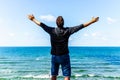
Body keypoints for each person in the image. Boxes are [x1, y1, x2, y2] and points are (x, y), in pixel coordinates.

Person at [28, 14, 99, 80]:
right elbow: (81, 26)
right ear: (63, 23)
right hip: (64, 56)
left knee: (53, 75)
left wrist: (33, 19)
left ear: (56, 23)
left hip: (54, 56)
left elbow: (41, 25)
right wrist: (92, 21)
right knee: (67, 76)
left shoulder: (52, 30)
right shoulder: (68, 30)